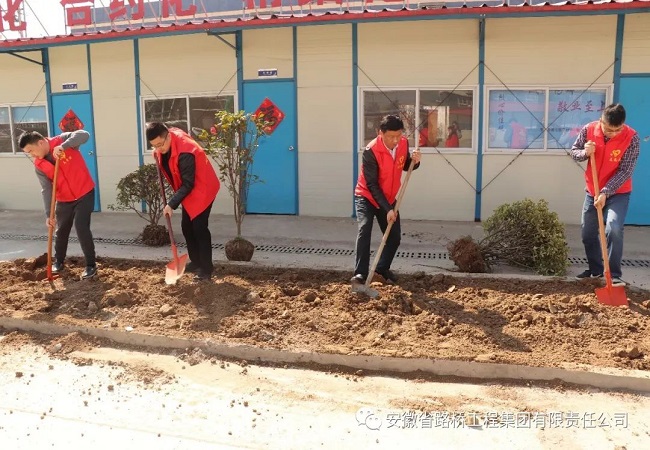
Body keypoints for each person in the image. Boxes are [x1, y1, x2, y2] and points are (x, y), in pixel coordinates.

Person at [571, 103, 640, 286]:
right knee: (588, 233)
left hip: (618, 192)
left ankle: (614, 275)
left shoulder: (632, 138)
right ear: (601, 120)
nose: (613, 133)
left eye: (618, 130)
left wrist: (605, 192)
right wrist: (585, 152)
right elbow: (574, 152)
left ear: (623, 125)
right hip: (592, 191)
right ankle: (595, 271)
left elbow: (625, 171)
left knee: (613, 227)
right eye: (609, 129)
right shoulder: (589, 129)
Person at [351, 115, 421, 285]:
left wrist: (415, 161)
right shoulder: (371, 151)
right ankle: (360, 274)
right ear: (380, 133)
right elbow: (372, 184)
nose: (395, 140)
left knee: (394, 237)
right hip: (367, 196)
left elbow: (405, 165)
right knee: (365, 229)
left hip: (389, 197)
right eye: (390, 136)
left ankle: (381, 269)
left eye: (398, 135)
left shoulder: (403, 143)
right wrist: (387, 209)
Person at [146, 122, 220, 281]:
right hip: (189, 190)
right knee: (187, 226)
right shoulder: (167, 138)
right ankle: (196, 261)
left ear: (168, 136)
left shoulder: (186, 152)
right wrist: (158, 151)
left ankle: (206, 269)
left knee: (199, 228)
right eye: (154, 146)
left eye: (160, 144)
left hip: (203, 188)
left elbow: (188, 184)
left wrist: (171, 204)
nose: (159, 149)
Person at [19, 130, 98, 279]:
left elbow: (84, 135)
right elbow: (47, 189)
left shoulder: (62, 140)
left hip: (84, 193)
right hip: (64, 200)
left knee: (81, 227)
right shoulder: (39, 165)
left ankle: (91, 265)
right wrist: (48, 214)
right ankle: (59, 262)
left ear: (40, 143)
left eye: (31, 151)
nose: (32, 155)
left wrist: (63, 146)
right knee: (61, 231)